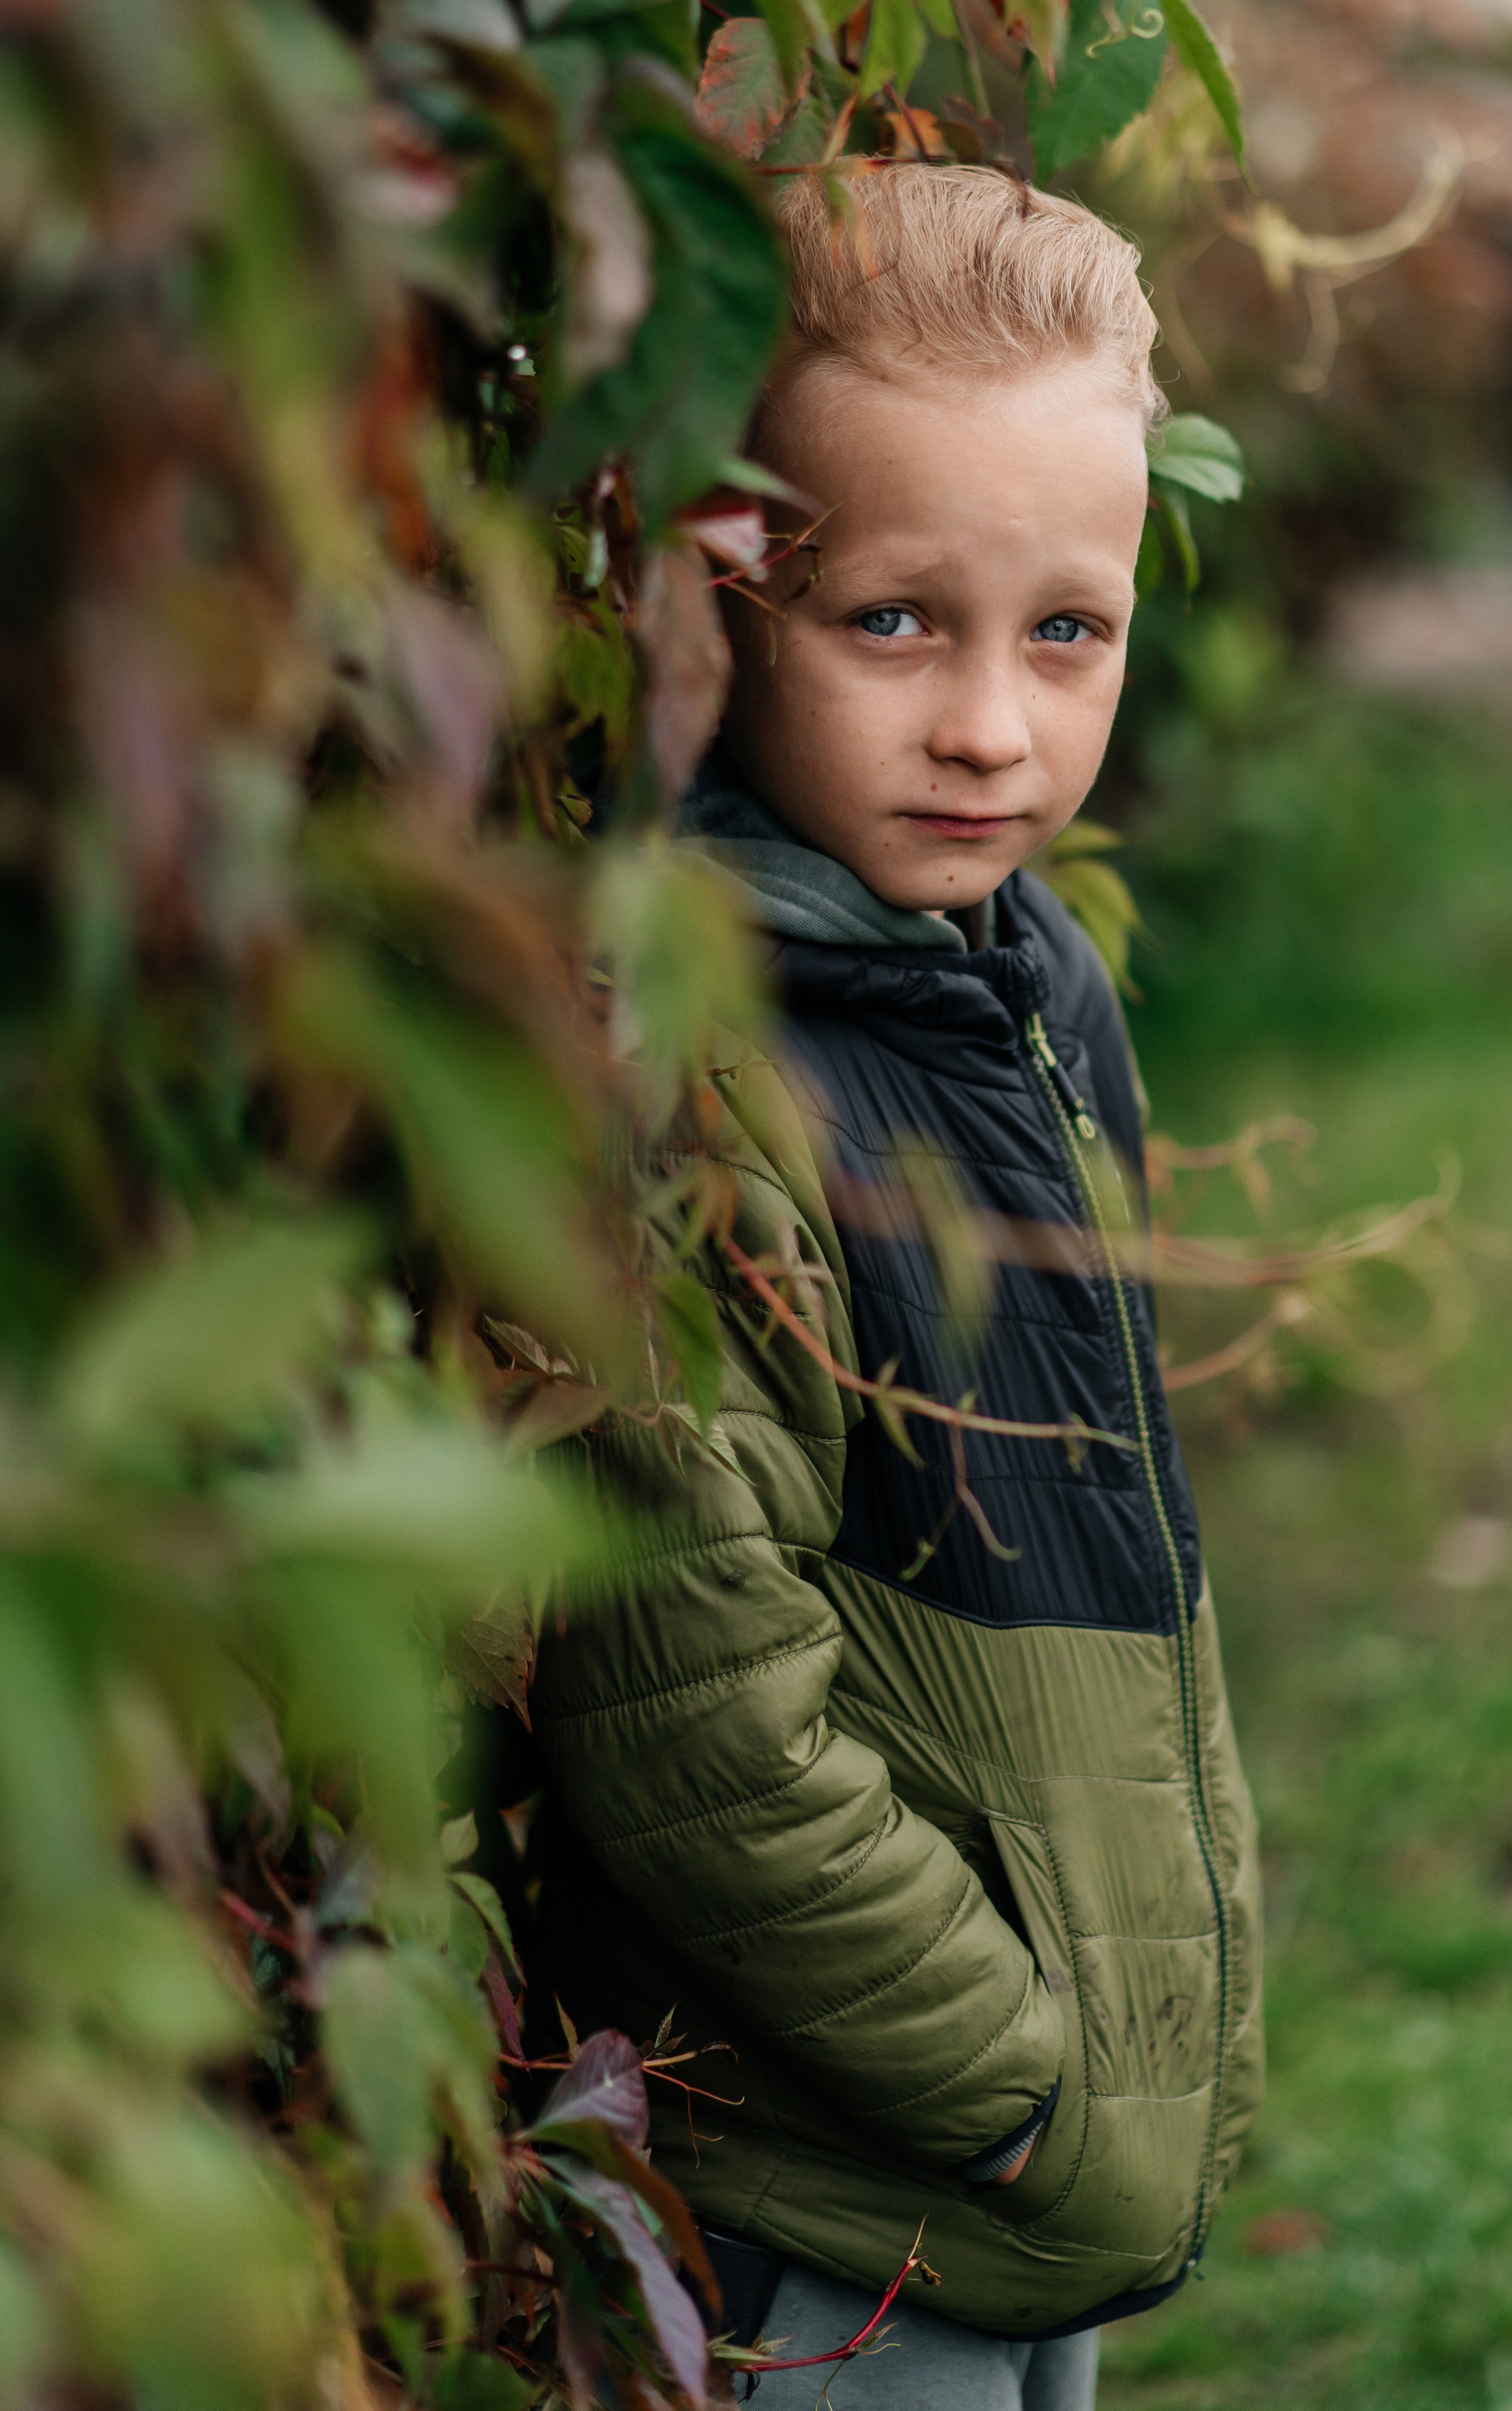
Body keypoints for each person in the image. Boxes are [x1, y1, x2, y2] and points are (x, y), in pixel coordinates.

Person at [525, 163, 1264, 2408]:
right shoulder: (715, 1085)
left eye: (1068, 632)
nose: (989, 729)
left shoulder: (1031, 989)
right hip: (844, 2204)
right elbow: (689, 1703)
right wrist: (1006, 2073)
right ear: (728, 604)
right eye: (893, 625)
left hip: (1035, 2162)